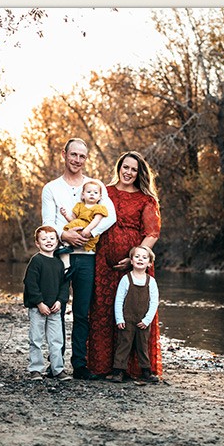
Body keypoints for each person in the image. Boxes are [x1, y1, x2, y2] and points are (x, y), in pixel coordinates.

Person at [40, 139, 116, 379]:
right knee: (56, 311)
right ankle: (56, 364)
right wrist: (65, 235)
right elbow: (47, 223)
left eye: (82, 156)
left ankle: (80, 365)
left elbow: (110, 216)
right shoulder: (51, 188)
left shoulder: (95, 186)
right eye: (73, 155)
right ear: (64, 154)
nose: (77, 160)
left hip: (87, 258)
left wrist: (87, 234)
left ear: (86, 159)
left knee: (82, 312)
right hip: (60, 257)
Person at [90, 151, 162, 380]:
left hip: (135, 265)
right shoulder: (105, 193)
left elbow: (152, 233)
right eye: (125, 167)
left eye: (134, 169)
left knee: (133, 312)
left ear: (139, 173)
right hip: (103, 262)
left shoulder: (145, 199)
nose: (128, 172)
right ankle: (103, 366)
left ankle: (135, 367)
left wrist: (135, 259)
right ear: (118, 168)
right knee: (104, 308)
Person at [106, 245, 160, 382]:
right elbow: (118, 300)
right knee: (124, 344)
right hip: (127, 319)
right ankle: (118, 371)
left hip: (143, 320)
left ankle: (146, 371)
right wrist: (119, 319)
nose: (140, 259)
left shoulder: (151, 281)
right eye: (137, 257)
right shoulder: (126, 279)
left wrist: (147, 320)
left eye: (144, 257)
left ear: (149, 263)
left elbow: (154, 303)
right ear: (131, 261)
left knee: (143, 346)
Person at [21, 226, 69, 380]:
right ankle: (35, 369)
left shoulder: (59, 263)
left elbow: (64, 285)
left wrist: (60, 301)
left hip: (55, 309)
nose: (48, 241)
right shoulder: (36, 261)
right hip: (38, 308)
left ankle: (57, 369)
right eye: (44, 239)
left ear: (57, 242)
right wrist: (39, 303)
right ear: (37, 243)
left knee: (56, 340)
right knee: (35, 339)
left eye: (52, 239)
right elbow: (30, 283)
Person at [56, 179, 109, 269]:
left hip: (88, 230)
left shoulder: (99, 208)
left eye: (95, 193)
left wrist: (87, 230)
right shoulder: (79, 205)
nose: (92, 194)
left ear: (100, 197)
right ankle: (66, 263)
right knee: (70, 231)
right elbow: (72, 219)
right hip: (78, 228)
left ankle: (67, 247)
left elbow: (97, 220)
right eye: (89, 192)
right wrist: (65, 215)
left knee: (76, 225)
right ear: (83, 195)